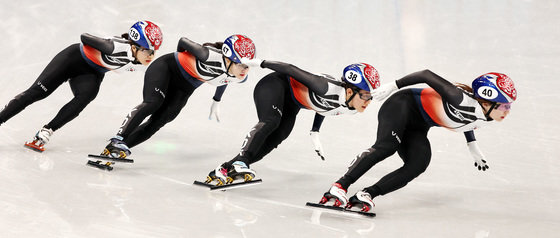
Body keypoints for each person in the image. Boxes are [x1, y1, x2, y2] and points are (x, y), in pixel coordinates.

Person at [319, 70, 517, 212]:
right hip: (400, 105)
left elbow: (469, 122)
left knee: (418, 164)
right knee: (387, 146)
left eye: (509, 106)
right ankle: (339, 186)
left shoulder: (489, 115)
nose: (507, 111)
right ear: (486, 102)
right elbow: (426, 75)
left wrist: (472, 145)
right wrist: (393, 86)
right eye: (504, 106)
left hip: (418, 125)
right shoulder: (459, 99)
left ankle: (367, 194)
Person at [205, 60, 381, 185]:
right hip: (274, 85)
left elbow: (326, 107)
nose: (368, 101)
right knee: (271, 121)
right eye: (365, 96)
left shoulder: (352, 106)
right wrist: (260, 63)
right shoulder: (324, 86)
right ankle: (241, 162)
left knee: (280, 135)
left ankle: (228, 168)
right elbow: (289, 68)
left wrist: (315, 131)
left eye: (370, 97)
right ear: (350, 92)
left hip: (293, 102)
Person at [0, 21, 163, 152]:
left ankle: (47, 130)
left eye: (154, 51)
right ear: (134, 47)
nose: (151, 56)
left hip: (91, 73)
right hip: (71, 60)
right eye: (148, 51)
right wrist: (104, 46)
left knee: (86, 97)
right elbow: (84, 37)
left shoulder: (143, 61)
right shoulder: (114, 47)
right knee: (37, 93)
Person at [100, 34, 256, 158]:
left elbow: (226, 78)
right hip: (166, 68)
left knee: (162, 119)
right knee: (153, 103)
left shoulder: (240, 75)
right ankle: (118, 139)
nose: (244, 70)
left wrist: (216, 100)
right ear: (228, 59)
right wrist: (178, 59)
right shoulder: (207, 55)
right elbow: (183, 41)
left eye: (247, 66)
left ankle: (120, 148)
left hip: (185, 86)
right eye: (241, 65)